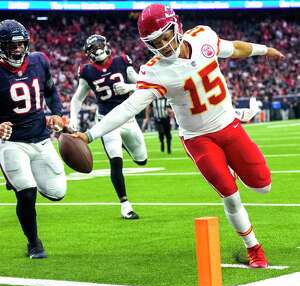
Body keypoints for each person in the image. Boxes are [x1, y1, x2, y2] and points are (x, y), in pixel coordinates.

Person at [74, 4, 284, 268]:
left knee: (263, 186)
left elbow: (235, 48)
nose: (164, 45)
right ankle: (254, 248)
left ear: (177, 26)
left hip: (229, 126)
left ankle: (235, 166)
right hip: (199, 138)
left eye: (165, 36)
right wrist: (90, 134)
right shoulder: (154, 71)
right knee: (230, 195)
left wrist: (265, 50)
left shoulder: (204, 37)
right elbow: (129, 107)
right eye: (155, 42)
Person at [0, 20, 67, 259]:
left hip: (40, 137)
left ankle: (18, 177)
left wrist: (57, 113)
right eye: (12, 45)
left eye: (21, 44)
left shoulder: (39, 61)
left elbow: (50, 90)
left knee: (57, 192)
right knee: (27, 193)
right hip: (12, 141)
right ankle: (34, 242)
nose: (18, 50)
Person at [69, 34, 148, 220]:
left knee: (142, 159)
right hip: (106, 121)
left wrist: (129, 87)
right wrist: (73, 119)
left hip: (128, 118)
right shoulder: (87, 71)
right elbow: (77, 98)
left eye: (99, 46)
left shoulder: (121, 60)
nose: (97, 50)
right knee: (115, 161)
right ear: (88, 53)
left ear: (106, 46)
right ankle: (125, 206)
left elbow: (142, 84)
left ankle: (125, 145)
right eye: (93, 48)